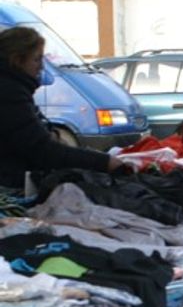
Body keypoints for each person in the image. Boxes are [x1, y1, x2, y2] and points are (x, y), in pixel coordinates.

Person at [0, 26, 124, 187]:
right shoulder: (9, 93)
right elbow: (42, 150)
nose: (41, 67)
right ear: (17, 60)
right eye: (36, 59)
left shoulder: (13, 88)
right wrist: (104, 162)